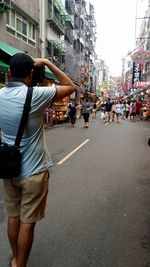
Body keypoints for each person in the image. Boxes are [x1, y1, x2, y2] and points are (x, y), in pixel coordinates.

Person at [0, 53, 75, 267]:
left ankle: (15, 259)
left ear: (9, 73)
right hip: (34, 172)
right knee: (27, 222)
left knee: (13, 216)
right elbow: (69, 86)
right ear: (30, 75)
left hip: (8, 169)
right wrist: (48, 63)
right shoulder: (36, 95)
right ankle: (20, 264)